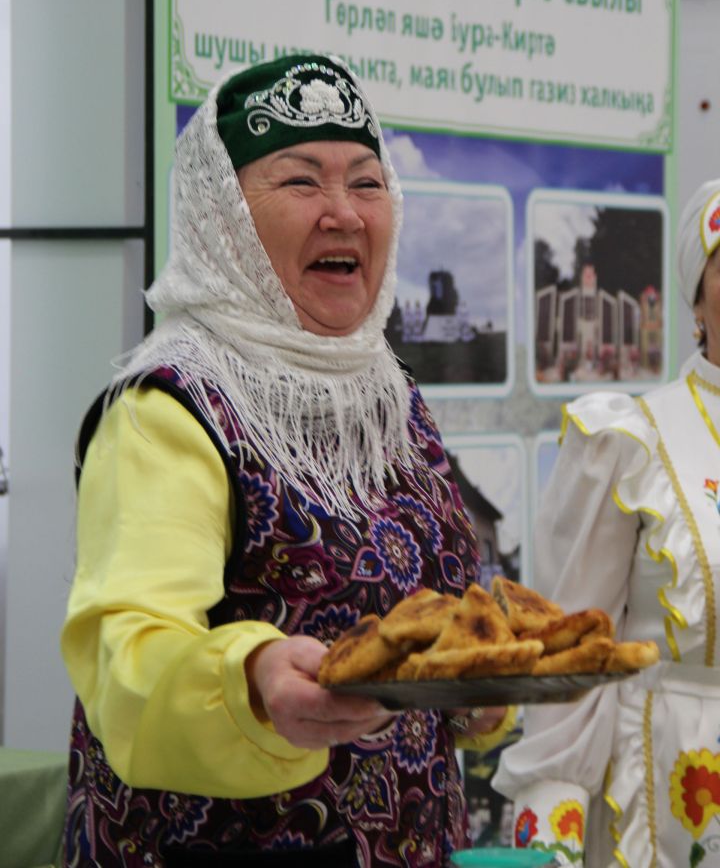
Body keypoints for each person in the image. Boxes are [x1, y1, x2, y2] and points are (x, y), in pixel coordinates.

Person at [60, 52, 511, 868]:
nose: (344, 212)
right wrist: (254, 677)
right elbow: (124, 656)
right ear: (223, 216)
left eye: (367, 183)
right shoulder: (170, 408)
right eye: (302, 182)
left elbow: (431, 623)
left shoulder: (389, 398)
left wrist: (475, 693)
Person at [493, 177, 720, 866]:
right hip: (663, 793)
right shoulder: (630, 438)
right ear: (697, 295)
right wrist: (550, 837)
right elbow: (571, 656)